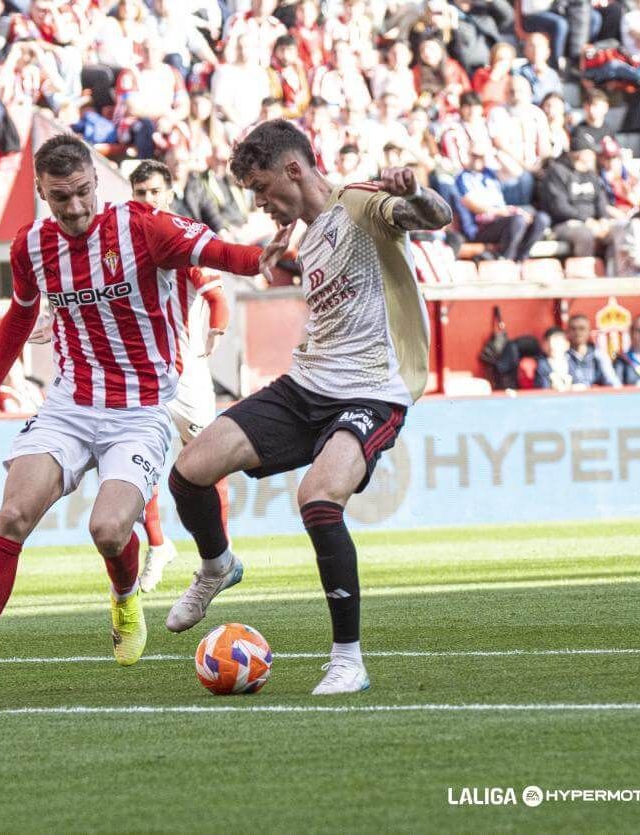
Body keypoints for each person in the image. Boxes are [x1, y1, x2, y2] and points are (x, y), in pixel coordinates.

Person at [0, 133, 288, 702]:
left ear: (97, 181)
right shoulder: (31, 246)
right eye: (58, 197)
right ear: (41, 193)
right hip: (69, 404)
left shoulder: (144, 226)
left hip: (140, 409)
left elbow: (221, 254)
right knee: (13, 515)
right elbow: (21, 313)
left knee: (108, 528)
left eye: (81, 193)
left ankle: (125, 598)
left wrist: (262, 257)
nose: (73, 208)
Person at [162, 120, 452, 696]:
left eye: (262, 187)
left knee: (317, 499)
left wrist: (415, 191)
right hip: (305, 386)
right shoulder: (305, 237)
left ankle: (348, 659)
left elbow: (432, 216)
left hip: (372, 390)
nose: (261, 202)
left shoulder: (362, 205)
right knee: (189, 471)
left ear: (295, 169)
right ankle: (218, 566)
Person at [128, 159, 231, 593]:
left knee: (208, 460)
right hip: (139, 368)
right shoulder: (121, 241)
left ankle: (220, 553)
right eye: (141, 193)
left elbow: (215, 293)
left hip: (185, 368)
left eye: (155, 192)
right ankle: (158, 544)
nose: (149, 200)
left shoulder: (182, 238)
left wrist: (218, 328)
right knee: (132, 459)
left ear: (169, 194)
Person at [454, 144, 550, 261]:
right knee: (518, 220)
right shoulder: (463, 178)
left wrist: (496, 151)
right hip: (481, 226)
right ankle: (506, 258)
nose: (478, 159)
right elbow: (474, 206)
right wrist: (504, 212)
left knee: (542, 218)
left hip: (503, 217)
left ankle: (522, 257)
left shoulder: (490, 174)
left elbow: (516, 173)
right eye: (474, 155)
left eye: (481, 156)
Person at [539, 141, 613, 257]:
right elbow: (559, 207)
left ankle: (620, 273)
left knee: (621, 229)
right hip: (565, 223)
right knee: (585, 234)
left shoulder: (591, 173)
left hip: (594, 222)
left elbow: (600, 199)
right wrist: (586, 220)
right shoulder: (557, 171)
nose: (594, 156)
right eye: (591, 152)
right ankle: (584, 272)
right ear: (579, 154)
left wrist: (603, 219)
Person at [565, 314, 621, 388]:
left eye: (582, 328)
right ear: (567, 332)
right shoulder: (563, 356)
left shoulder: (599, 355)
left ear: (589, 331)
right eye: (573, 329)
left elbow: (613, 382)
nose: (577, 332)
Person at [534, 326, 575, 390]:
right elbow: (542, 386)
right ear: (543, 345)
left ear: (567, 344)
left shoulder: (573, 361)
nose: (552, 345)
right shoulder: (541, 365)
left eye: (557, 341)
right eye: (548, 341)